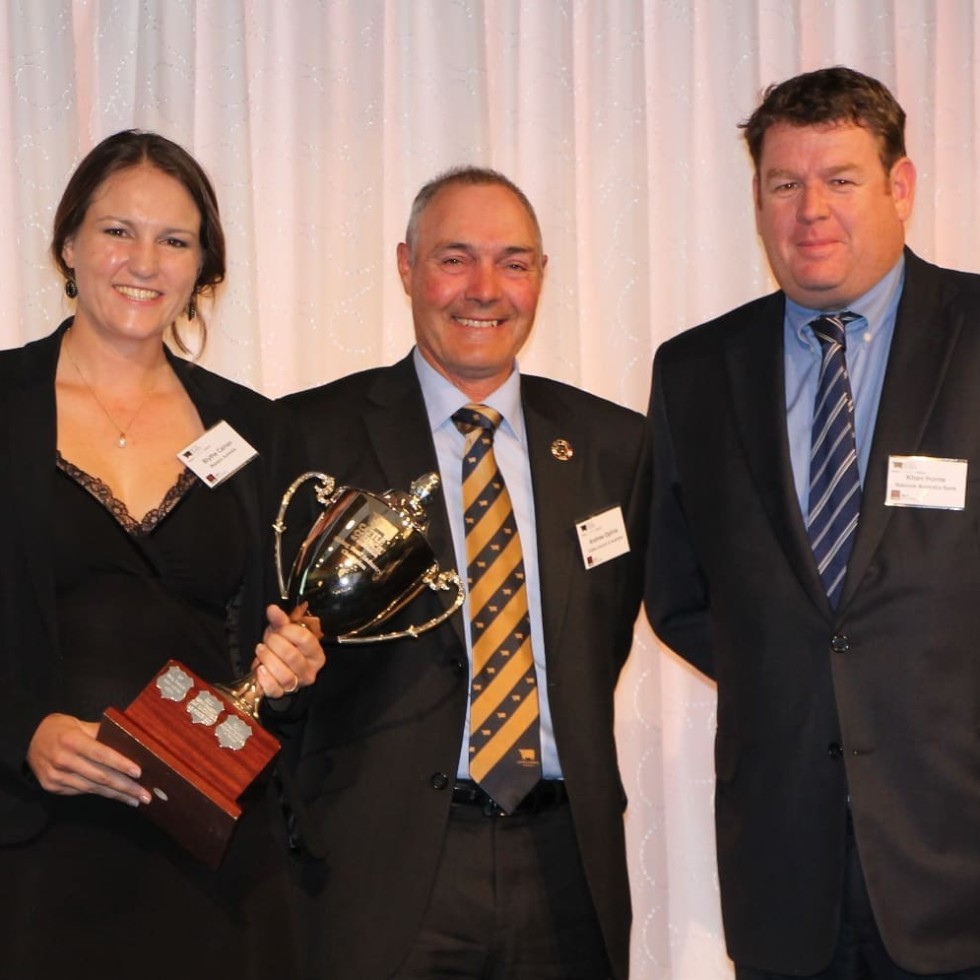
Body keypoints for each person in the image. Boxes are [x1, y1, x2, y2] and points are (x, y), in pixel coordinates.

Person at [646, 65, 980, 979]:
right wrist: (800, 677)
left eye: (840, 179)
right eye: (784, 184)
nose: (810, 212)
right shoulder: (695, 372)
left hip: (960, 863)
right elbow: (679, 594)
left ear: (900, 188)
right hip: (785, 872)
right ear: (757, 200)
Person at [282, 167, 648, 979]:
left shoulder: (614, 448)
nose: (485, 289)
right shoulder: (308, 439)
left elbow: (604, 635)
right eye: (455, 258)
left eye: (514, 262)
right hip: (381, 864)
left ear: (541, 279)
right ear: (407, 267)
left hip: (566, 863)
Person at [0, 130, 324, 979]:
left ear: (202, 268)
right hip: (33, 851)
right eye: (118, 231)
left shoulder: (254, 429)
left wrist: (292, 659)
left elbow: (277, 621)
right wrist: (19, 732)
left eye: (174, 240)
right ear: (68, 244)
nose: (143, 261)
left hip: (216, 854)